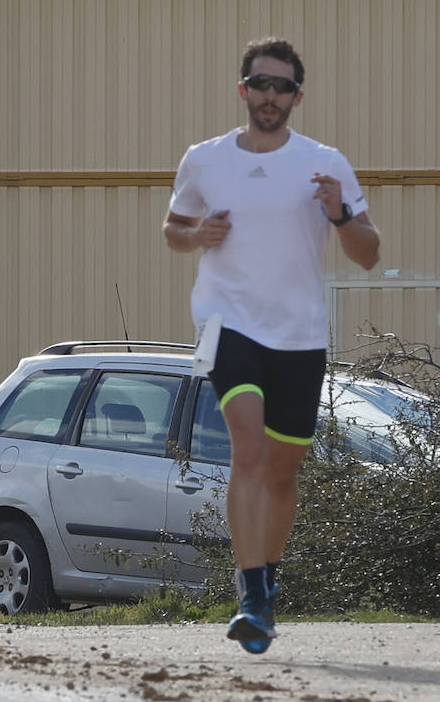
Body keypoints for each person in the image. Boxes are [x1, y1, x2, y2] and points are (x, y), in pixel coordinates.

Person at [162, 37, 380, 654]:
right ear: (243, 90)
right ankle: (250, 595)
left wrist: (340, 215)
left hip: (299, 335)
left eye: (282, 87)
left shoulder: (325, 163)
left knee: (283, 474)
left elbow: (369, 254)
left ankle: (268, 578)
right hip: (226, 323)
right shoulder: (205, 160)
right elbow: (174, 229)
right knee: (249, 451)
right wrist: (195, 234)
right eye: (260, 83)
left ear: (296, 97)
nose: (270, 96)